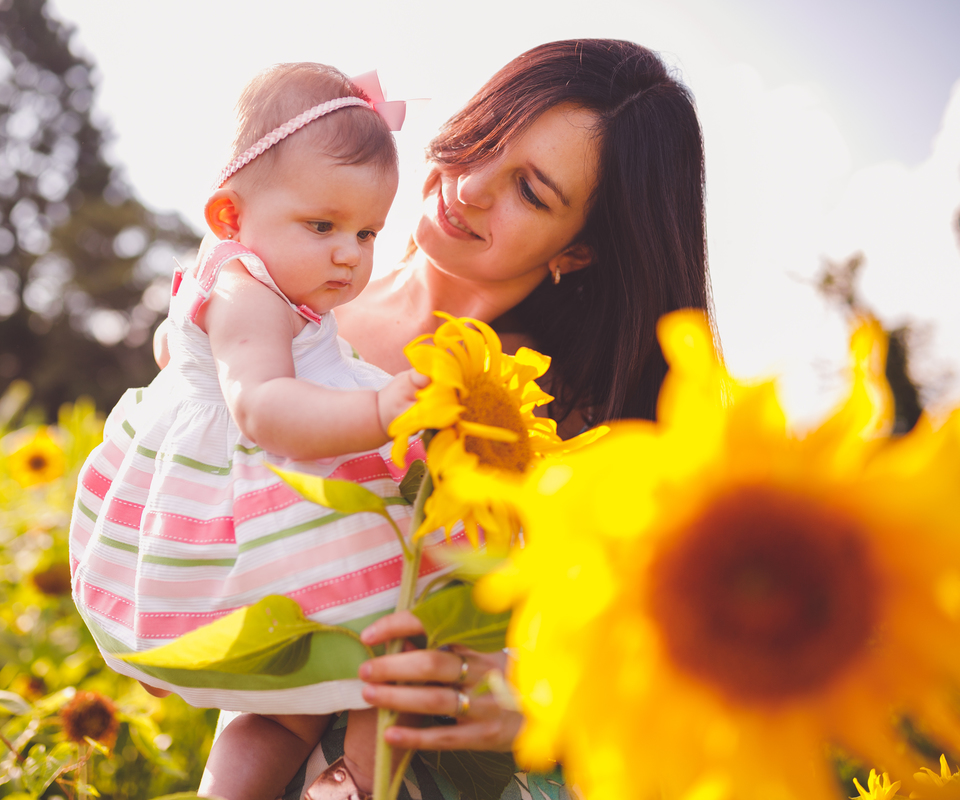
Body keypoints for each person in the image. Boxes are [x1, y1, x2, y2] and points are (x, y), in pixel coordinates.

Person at [280, 38, 711, 797]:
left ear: (577, 253)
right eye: (485, 135)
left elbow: (652, 666)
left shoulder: (567, 428)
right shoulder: (292, 301)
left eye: (531, 192)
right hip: (261, 742)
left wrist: (519, 699)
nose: (470, 185)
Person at [69, 63, 452, 800]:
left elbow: (171, 345)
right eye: (323, 226)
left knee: (289, 699)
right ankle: (354, 783)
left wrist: (182, 360)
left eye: (368, 231)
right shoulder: (251, 292)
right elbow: (263, 407)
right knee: (395, 628)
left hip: (275, 495)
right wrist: (381, 413)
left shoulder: (244, 274)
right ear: (230, 217)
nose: (349, 252)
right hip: (268, 496)